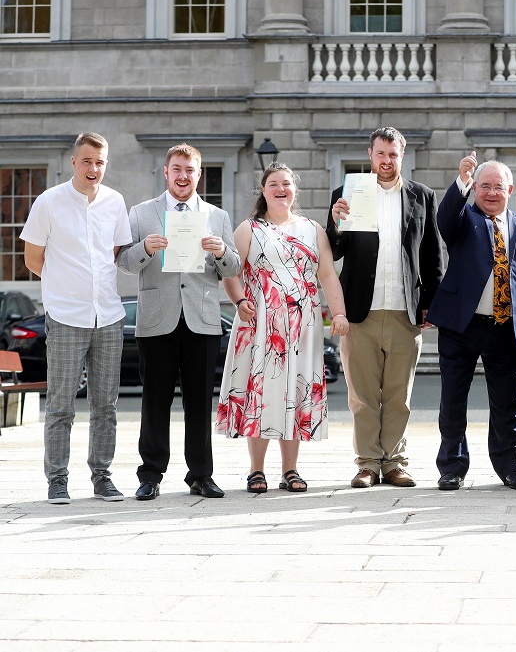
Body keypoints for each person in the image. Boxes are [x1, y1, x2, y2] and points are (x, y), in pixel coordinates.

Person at [117, 144, 241, 501]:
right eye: (176, 169)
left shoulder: (217, 216)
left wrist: (220, 251)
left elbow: (233, 267)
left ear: (198, 174)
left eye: (189, 169)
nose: (183, 176)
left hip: (201, 319)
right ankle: (151, 475)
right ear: (166, 172)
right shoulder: (142, 213)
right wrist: (146, 248)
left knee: (200, 401)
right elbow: (124, 262)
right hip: (157, 319)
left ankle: (201, 475)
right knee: (154, 400)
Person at [216, 164, 350, 493]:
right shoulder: (248, 229)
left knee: (295, 392)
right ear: (263, 190)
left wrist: (339, 313)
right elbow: (230, 271)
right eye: (273, 184)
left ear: (294, 190)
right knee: (261, 394)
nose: (280, 189)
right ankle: (256, 470)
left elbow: (328, 275)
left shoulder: (313, 229)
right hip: (259, 323)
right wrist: (238, 300)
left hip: (303, 326)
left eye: (286, 184)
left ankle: (291, 470)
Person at [426, 153, 516, 491]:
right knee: (453, 400)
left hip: (507, 329)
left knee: (507, 404)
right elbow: (445, 217)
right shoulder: (463, 219)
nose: (492, 192)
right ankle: (452, 466)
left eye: (498, 186)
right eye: (485, 186)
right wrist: (462, 181)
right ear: (475, 189)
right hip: (460, 327)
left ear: (510, 189)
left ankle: (510, 466)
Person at [326, 127, 443, 489]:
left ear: (401, 156)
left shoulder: (422, 196)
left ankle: (394, 464)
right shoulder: (348, 195)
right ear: (370, 154)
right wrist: (335, 222)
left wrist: (430, 306)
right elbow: (331, 253)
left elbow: (432, 256)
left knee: (398, 395)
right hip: (361, 310)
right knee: (362, 396)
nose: (386, 161)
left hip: (405, 310)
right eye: (380, 154)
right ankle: (366, 464)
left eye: (393, 154)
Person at [20, 132, 132, 504]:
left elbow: (112, 253)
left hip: (109, 316)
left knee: (106, 405)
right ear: (74, 162)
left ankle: (102, 476)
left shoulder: (115, 202)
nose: (93, 168)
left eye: (100, 162)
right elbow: (32, 259)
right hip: (66, 316)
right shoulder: (49, 202)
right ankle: (57, 479)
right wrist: (62, 285)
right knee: (61, 403)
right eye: (87, 161)